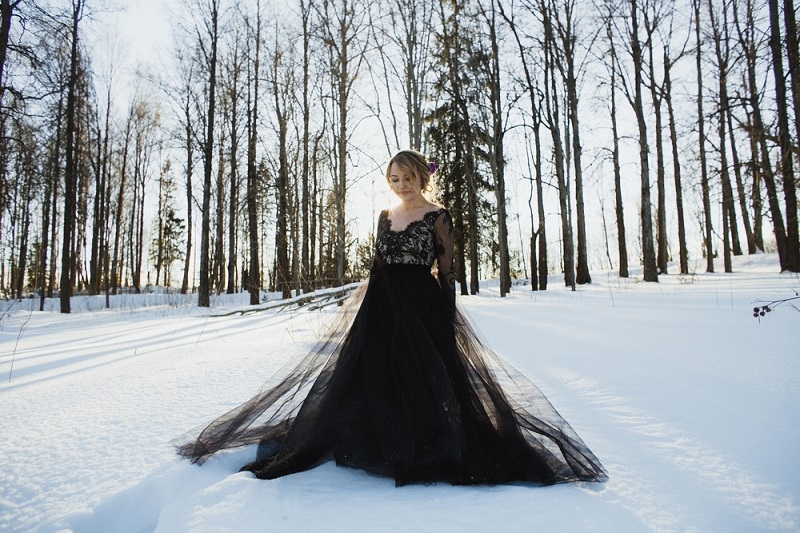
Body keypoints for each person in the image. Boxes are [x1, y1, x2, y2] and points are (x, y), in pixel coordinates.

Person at [179, 149, 607, 486]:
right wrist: (365, 312)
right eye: (394, 180)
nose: (401, 185)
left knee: (422, 375)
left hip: (421, 304)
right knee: (373, 374)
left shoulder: (438, 216)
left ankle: (427, 441)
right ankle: (375, 437)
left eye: (408, 178)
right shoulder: (385, 216)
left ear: (423, 178)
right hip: (382, 305)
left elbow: (446, 270)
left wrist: (445, 311)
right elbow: (377, 265)